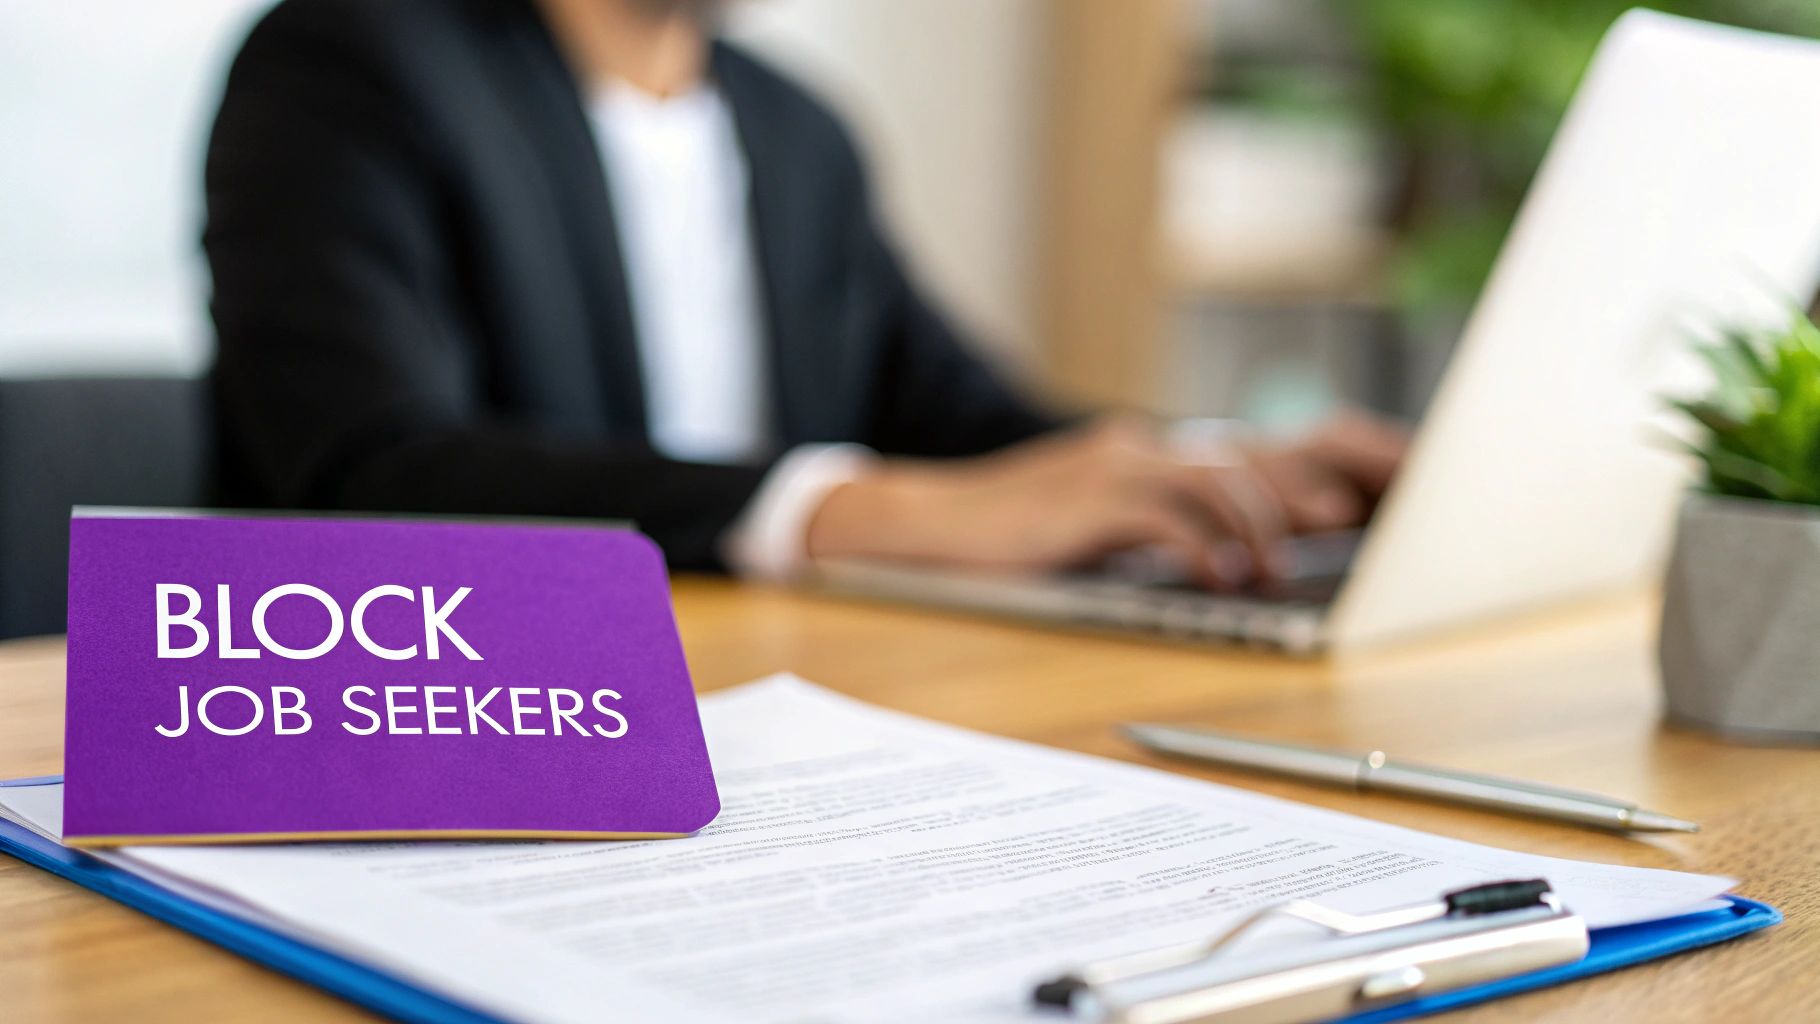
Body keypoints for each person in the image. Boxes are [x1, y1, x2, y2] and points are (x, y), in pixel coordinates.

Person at [205, 0, 1406, 590]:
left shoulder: (793, 130)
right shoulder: (346, 65)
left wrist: (1220, 473)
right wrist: (848, 512)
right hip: (451, 728)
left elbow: (966, 421)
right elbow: (369, 470)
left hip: (763, 705)